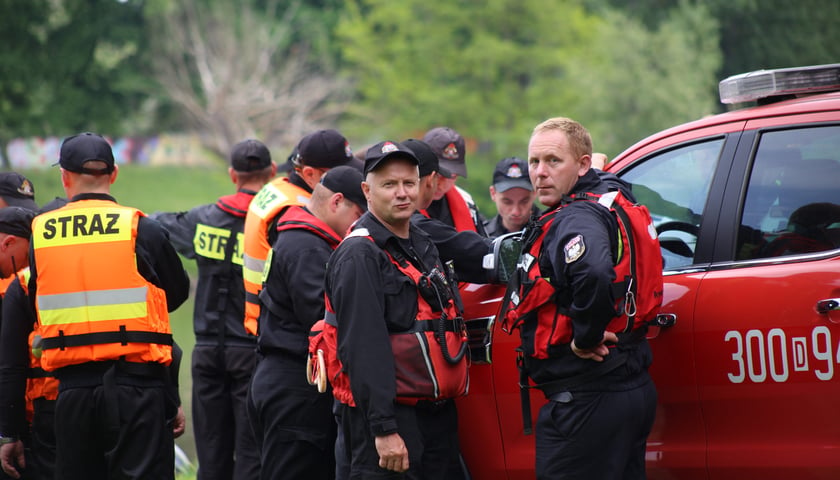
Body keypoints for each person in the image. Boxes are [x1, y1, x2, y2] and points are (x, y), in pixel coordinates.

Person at [0, 132, 190, 480]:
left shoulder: (40, 234)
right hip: (138, 389)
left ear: (64, 177)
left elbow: (37, 299)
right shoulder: (141, 228)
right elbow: (176, 294)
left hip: (70, 394)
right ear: (114, 174)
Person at [504, 118, 659, 479]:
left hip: (587, 397)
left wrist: (584, 337)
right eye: (534, 162)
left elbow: (594, 272)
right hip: (628, 385)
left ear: (583, 164)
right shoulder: (608, 196)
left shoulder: (577, 217)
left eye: (553, 162)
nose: (540, 173)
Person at [325, 141, 469, 479]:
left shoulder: (421, 243)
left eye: (409, 183)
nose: (402, 193)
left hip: (434, 417)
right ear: (367, 191)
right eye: (389, 185)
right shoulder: (359, 255)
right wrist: (384, 429)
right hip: (390, 423)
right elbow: (362, 348)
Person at [151, 139, 276, 480]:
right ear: (273, 172)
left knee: (211, 454)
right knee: (252, 454)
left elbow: (152, 226)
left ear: (232, 174)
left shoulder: (204, 218)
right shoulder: (274, 224)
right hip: (251, 351)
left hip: (206, 351)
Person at [248, 165, 366, 480]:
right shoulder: (307, 246)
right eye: (358, 214)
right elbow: (322, 319)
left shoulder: (301, 237)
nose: (358, 225)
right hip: (294, 385)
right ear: (337, 202)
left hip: (287, 379)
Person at [242, 129, 355, 336]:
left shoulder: (277, 189)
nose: (347, 179)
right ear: (310, 174)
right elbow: (311, 301)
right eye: (338, 173)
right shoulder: (294, 214)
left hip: (263, 319)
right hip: (279, 329)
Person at [422, 127, 487, 236]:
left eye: (452, 177)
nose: (442, 185)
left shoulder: (467, 202)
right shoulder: (404, 200)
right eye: (438, 175)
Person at [484, 157, 539, 237]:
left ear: (535, 193)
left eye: (524, 202)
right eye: (507, 202)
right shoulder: (483, 234)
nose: (516, 212)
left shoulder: (551, 232)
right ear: (493, 193)